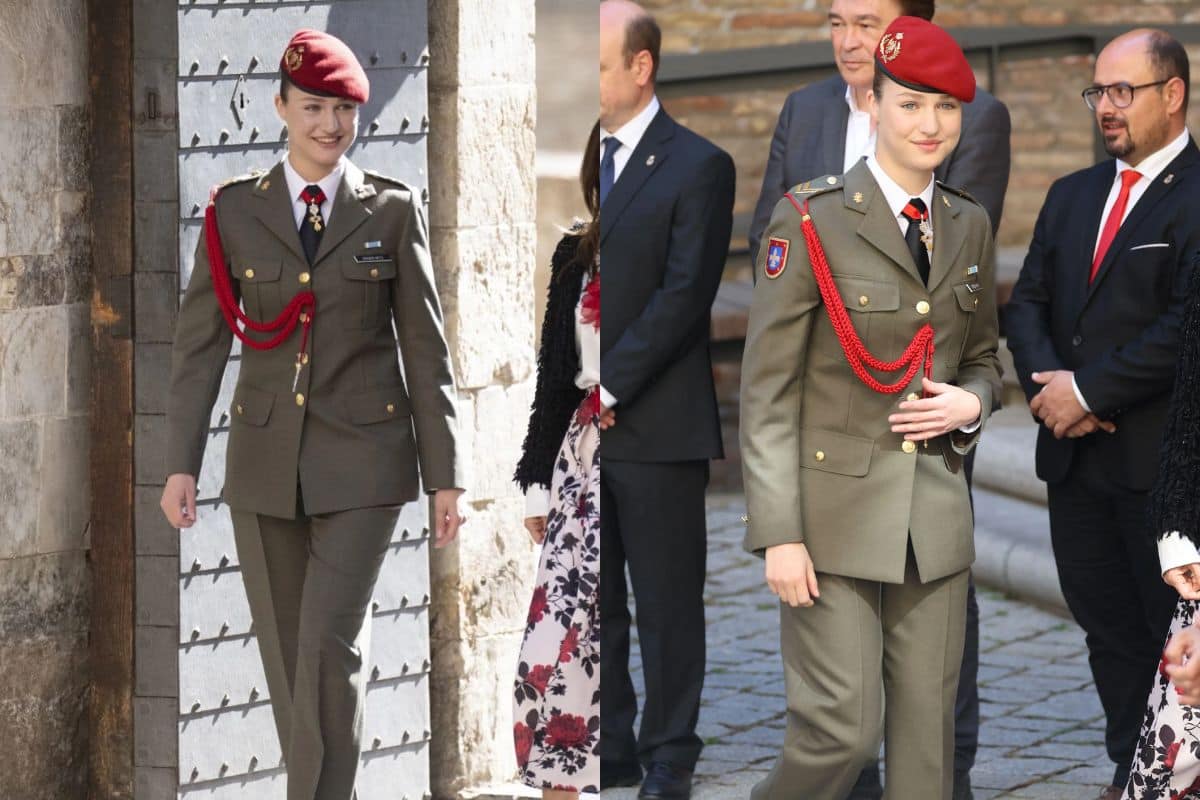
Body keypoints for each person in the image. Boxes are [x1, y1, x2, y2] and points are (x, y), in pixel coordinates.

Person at [159, 29, 465, 800]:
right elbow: (199, 351)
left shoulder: (391, 212)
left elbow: (426, 351)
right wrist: (180, 464)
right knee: (292, 668)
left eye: (344, 110)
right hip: (265, 469)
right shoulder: (233, 213)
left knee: (327, 652)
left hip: (365, 465)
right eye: (315, 107)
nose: (330, 125)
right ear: (282, 107)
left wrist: (447, 477)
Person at [748, 8, 1011, 787]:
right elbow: (766, 393)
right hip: (829, 526)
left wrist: (973, 403)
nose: (930, 124)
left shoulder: (968, 224)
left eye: (946, 106)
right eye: (911, 103)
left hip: (932, 523)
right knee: (842, 736)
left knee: (927, 756)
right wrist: (779, 535)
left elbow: (986, 355)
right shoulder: (809, 219)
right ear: (874, 105)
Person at [1005, 27, 1200, 800]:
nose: (1106, 108)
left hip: (1160, 469)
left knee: (1170, 636)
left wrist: (1087, 392)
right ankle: (1134, 767)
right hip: (1075, 466)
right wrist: (1053, 394)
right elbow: (1028, 306)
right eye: (1098, 93)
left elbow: (1185, 328)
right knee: (1107, 632)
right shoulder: (1071, 194)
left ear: (1173, 93)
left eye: (1124, 91)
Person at [598, 1, 736, 797]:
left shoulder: (698, 164)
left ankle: (671, 753)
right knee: (600, 598)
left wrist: (611, 382)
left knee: (667, 603)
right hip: (587, 423)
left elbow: (686, 296)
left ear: (640, 68)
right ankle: (611, 744)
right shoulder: (585, 156)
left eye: (599, 61)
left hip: (657, 421)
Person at [511, 124, 602, 798]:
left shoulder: (663, 253)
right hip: (579, 459)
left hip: (639, 456)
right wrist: (533, 482)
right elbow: (552, 375)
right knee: (552, 646)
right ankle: (557, 783)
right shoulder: (575, 252)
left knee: (602, 646)